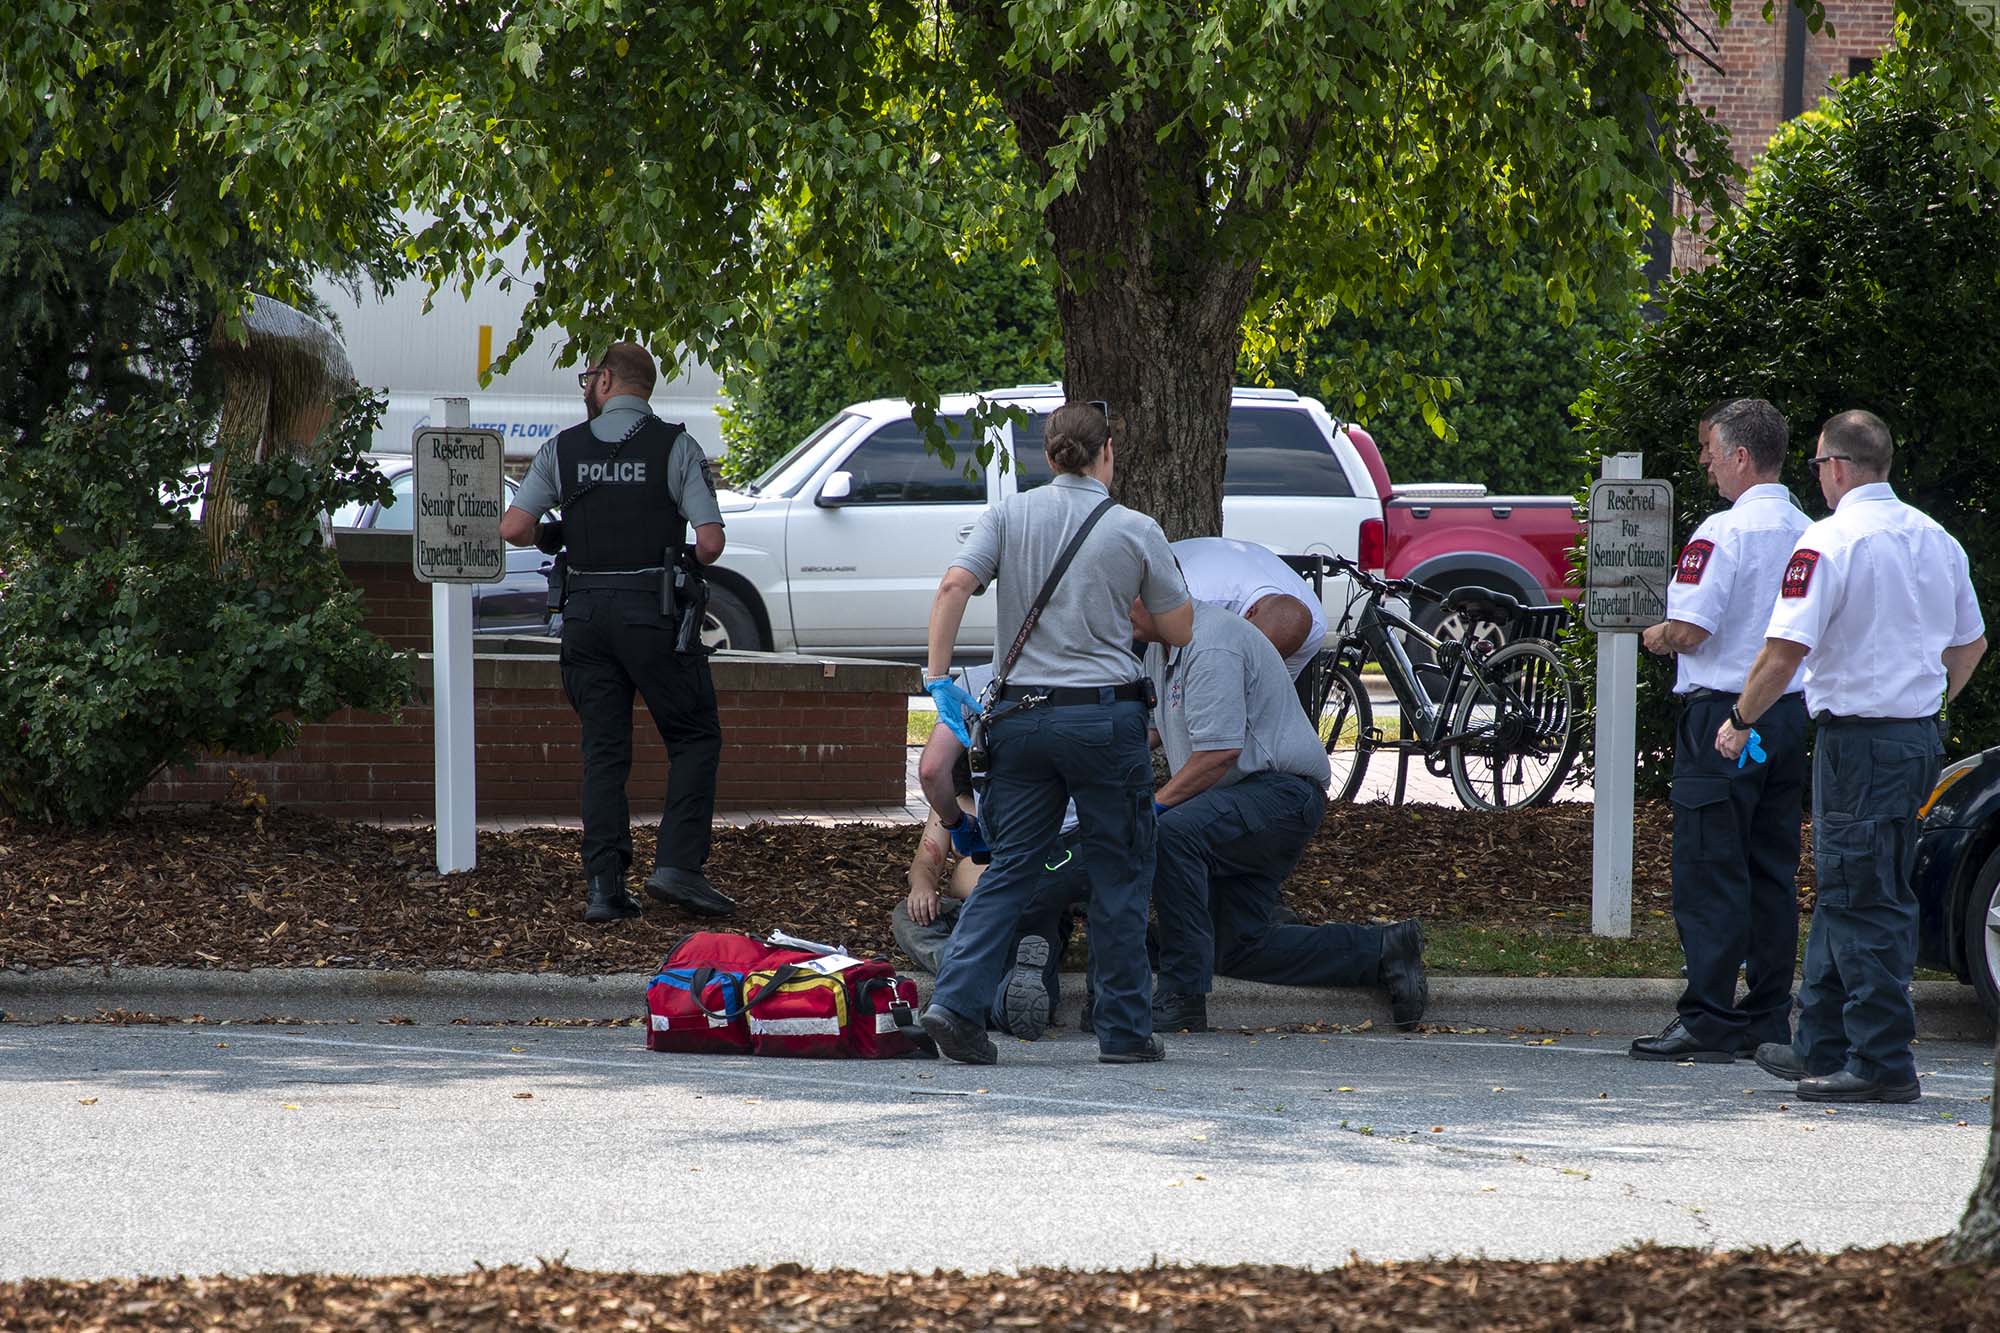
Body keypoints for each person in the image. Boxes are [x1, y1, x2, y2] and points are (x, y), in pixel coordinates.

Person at [1721, 410, 1985, 1104]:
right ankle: (1824, 1042)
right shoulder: (1937, 539)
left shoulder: (1829, 541)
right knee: (1846, 885)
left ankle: (1881, 1058)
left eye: (1816, 466)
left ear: (1835, 467)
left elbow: (1783, 652)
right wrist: (1930, 702)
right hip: (1912, 735)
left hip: (1859, 741)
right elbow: (1971, 644)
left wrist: (1739, 716)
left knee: (1866, 893)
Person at [917, 400, 1192, 1066]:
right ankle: (1124, 1030)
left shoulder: (1009, 515)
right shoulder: (1135, 528)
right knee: (1121, 869)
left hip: (1022, 718)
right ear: (1106, 455)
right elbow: (1180, 629)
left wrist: (939, 679)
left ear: (1048, 455)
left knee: (1010, 866)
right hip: (1104, 718)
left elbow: (955, 584)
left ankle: (954, 1004)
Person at [498, 342, 734, 924]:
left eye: (588, 378)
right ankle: (678, 866)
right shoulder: (677, 446)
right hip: (651, 615)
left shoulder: (563, 449)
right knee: (694, 736)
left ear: (606, 380)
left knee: (603, 752)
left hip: (583, 618)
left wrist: (556, 537)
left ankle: (603, 887)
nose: (585, 388)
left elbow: (513, 527)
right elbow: (709, 543)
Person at [1135, 597, 1429, 1032]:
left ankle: (1182, 996)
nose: (1114, 609)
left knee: (1169, 834)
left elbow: (1219, 753)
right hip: (1234, 802)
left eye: (1125, 597)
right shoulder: (1162, 650)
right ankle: (1384, 949)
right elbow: (1150, 732)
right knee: (1238, 948)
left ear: (1157, 588)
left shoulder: (1212, 643)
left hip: (1279, 796)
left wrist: (1151, 807)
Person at [1630, 399, 1811, 1064]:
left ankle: (1707, 1013)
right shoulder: (1809, 529)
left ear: (1740, 456)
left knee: (1708, 864)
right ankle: (1767, 1013)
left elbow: (1692, 627)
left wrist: (1655, 634)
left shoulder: (1722, 532)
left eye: (1712, 450)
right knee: (1771, 867)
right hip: (1785, 715)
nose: (1705, 462)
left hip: (1721, 715)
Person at [1171, 536, 1325, 679]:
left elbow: (1272, 691)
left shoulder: (1313, 630)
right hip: (1158, 594)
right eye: (1251, 648)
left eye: (1270, 661)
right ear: (1250, 612)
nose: (1255, 665)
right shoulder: (1198, 595)